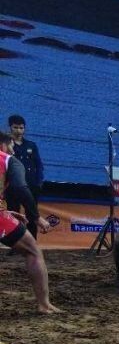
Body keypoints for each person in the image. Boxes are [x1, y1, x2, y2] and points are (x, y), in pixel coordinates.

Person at [0, 131, 58, 313]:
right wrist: (36, 217)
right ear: (4, 144)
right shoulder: (9, 160)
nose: (13, 150)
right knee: (33, 251)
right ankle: (44, 304)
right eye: (11, 146)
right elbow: (21, 188)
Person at [7, 115, 44, 237]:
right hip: (13, 186)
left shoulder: (31, 145)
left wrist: (39, 183)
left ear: (25, 129)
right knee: (14, 215)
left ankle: (32, 243)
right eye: (15, 127)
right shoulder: (6, 145)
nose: (18, 131)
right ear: (10, 127)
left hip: (31, 186)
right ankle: (16, 245)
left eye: (21, 128)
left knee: (32, 215)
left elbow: (39, 165)